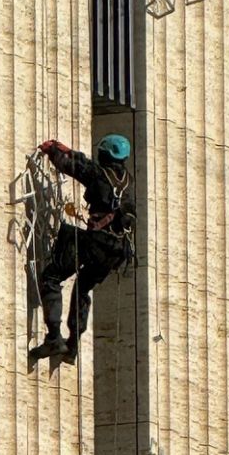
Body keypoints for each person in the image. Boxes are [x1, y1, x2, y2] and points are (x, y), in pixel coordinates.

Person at [29, 134, 136, 365]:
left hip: (97, 243)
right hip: (116, 251)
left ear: (104, 154)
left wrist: (53, 151)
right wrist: (68, 150)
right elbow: (85, 164)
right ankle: (73, 345)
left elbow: (77, 168)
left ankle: (54, 337)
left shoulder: (99, 174)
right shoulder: (126, 180)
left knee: (52, 276)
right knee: (82, 288)